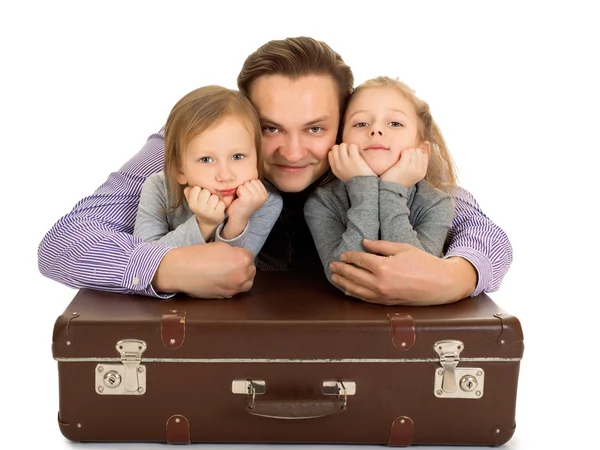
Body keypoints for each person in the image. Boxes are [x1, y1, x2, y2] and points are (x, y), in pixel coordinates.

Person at [37, 36, 513, 305]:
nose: (291, 151)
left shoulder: (374, 153)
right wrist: (166, 265)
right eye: (269, 128)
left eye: (315, 129)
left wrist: (456, 277)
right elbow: (62, 243)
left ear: (347, 122)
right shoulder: (192, 147)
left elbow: (482, 232)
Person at [305, 76, 455, 294]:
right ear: (340, 144)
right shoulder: (322, 202)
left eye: (395, 123)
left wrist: (392, 190)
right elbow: (345, 274)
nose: (375, 130)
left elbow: (417, 279)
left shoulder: (437, 203)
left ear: (421, 150)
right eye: (361, 123)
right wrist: (363, 187)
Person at [133, 85, 282, 259]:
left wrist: (237, 221)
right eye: (206, 160)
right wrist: (203, 224)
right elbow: (144, 259)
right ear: (179, 169)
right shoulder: (158, 187)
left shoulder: (265, 201)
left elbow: (233, 273)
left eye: (238, 156)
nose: (226, 175)